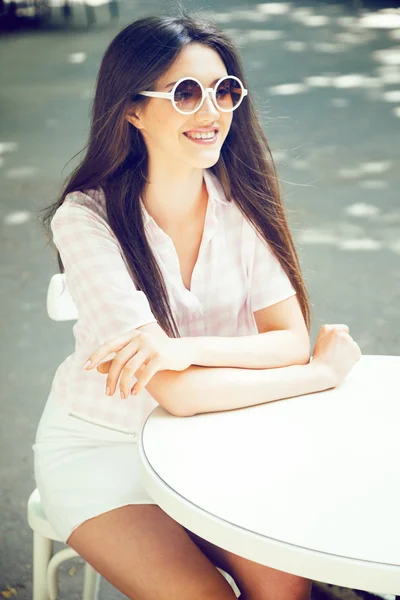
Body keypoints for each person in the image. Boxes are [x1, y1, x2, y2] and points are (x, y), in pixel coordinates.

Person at [34, 13, 361, 600]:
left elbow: (285, 336)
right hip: (104, 452)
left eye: (224, 90)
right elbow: (178, 394)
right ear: (132, 108)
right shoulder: (85, 219)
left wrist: (180, 347)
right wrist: (318, 374)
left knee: (286, 589)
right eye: (186, 93)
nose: (211, 112)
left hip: (217, 441)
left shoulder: (241, 203)